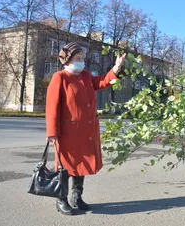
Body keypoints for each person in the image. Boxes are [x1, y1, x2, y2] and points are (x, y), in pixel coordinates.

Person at [45, 42, 126, 215]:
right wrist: (52, 132)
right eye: (78, 58)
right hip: (66, 133)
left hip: (86, 132)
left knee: (80, 165)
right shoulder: (60, 77)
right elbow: (52, 106)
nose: (82, 61)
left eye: (82, 58)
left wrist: (117, 67)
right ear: (67, 60)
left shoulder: (86, 76)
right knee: (65, 167)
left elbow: (104, 81)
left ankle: (76, 197)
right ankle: (61, 200)